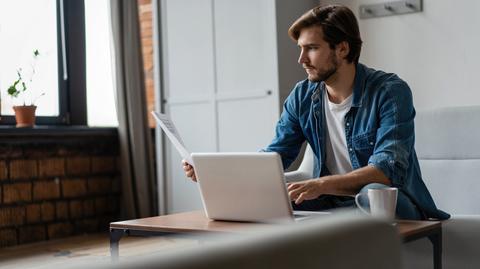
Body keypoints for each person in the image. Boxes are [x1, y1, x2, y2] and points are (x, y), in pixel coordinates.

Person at [183, 4, 449, 220]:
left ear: (342, 48)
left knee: (373, 192)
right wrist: (216, 173)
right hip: (330, 203)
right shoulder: (302, 96)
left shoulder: (390, 92)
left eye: (311, 48)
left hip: (393, 203)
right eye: (300, 49)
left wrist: (319, 185)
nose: (301, 59)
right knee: (265, 205)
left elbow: (386, 171)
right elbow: (276, 156)